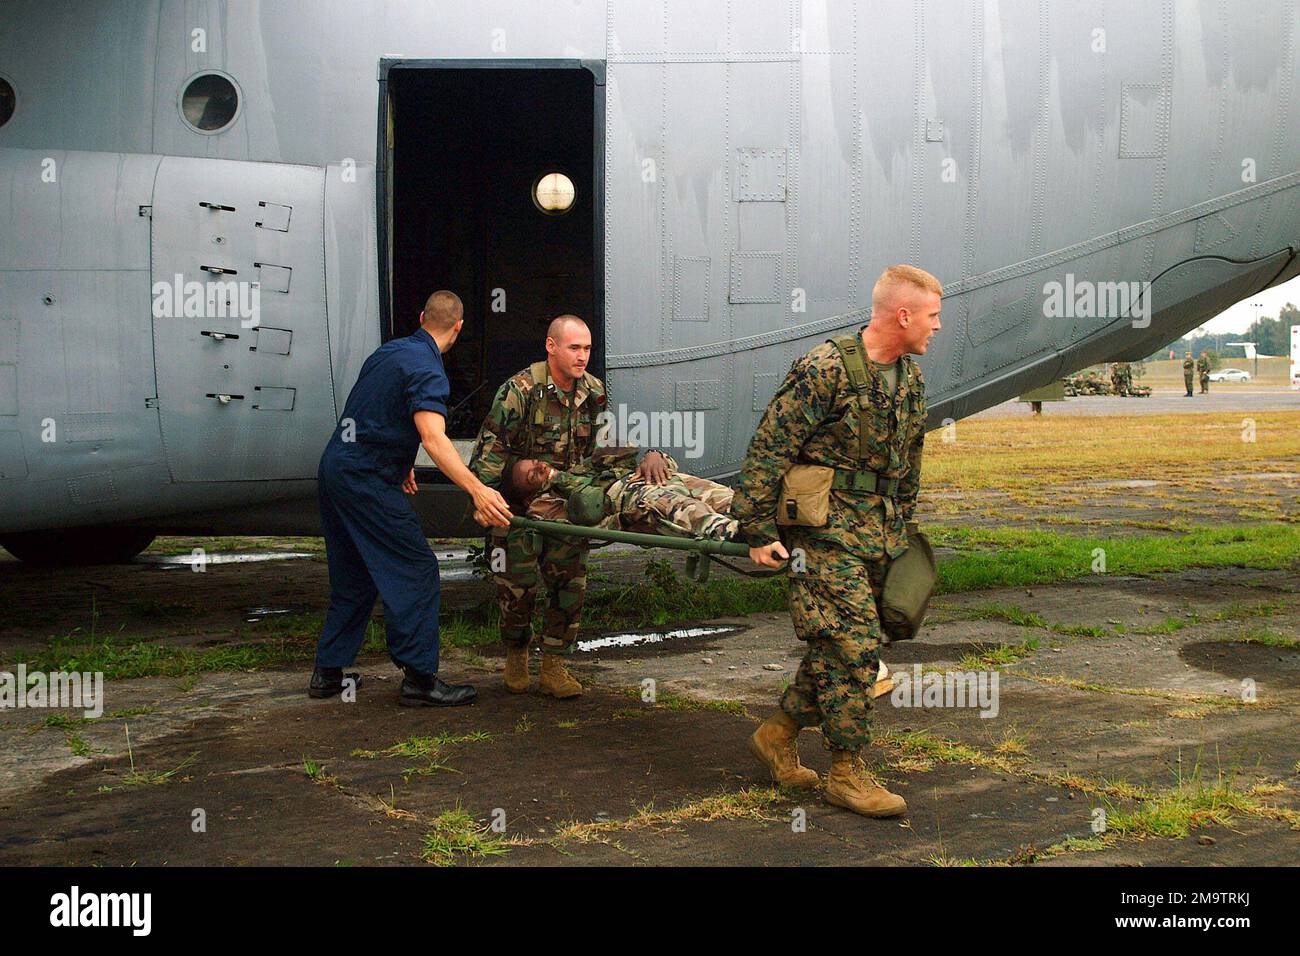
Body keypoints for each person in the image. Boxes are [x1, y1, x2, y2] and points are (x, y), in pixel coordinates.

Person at [732, 265, 941, 819]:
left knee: (844, 643)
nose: (937, 327)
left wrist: (904, 530)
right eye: (932, 315)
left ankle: (777, 734)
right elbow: (770, 448)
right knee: (853, 647)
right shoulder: (825, 368)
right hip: (822, 533)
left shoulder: (910, 378)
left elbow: (910, 460)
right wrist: (756, 529)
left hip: (879, 532)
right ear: (903, 314)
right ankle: (846, 773)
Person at [310, 291, 512, 707]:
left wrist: (400, 461)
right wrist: (477, 488)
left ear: (421, 317)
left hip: (336, 469)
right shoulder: (428, 370)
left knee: (356, 575)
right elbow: (434, 439)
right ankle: (420, 679)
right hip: (366, 480)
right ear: (458, 328)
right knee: (417, 569)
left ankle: (328, 673)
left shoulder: (388, 354)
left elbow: (372, 411)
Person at [469, 315, 671, 697]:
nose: (582, 357)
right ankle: (516, 651)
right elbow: (489, 455)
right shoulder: (519, 390)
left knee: (569, 586)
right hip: (520, 509)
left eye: (588, 349)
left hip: (566, 507)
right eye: (574, 348)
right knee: (517, 589)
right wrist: (484, 500)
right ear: (551, 346)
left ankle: (554, 665)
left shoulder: (592, 390)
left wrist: (648, 455)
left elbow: (603, 449)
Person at [513, 453, 738, 541]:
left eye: (535, 462)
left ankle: (764, 522)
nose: (541, 467)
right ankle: (735, 533)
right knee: (686, 510)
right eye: (532, 475)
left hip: (656, 477)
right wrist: (626, 519)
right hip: (630, 497)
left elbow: (626, 458)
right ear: (527, 497)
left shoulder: (578, 469)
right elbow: (588, 529)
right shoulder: (545, 505)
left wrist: (655, 457)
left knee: (731, 500)